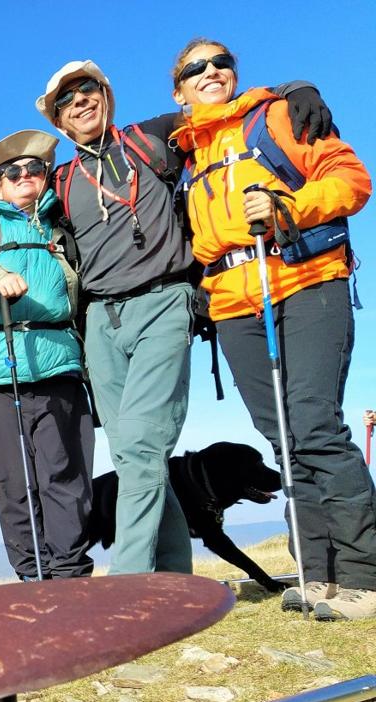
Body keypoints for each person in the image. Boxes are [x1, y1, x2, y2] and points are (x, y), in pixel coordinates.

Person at [36, 61, 332, 576]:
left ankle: (127, 583)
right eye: (67, 100)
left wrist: (292, 88)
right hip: (101, 322)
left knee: (144, 444)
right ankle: (174, 573)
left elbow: (220, 106)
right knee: (133, 456)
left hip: (164, 303)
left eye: (88, 90)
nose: (80, 101)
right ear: (59, 121)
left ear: (106, 95)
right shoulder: (59, 181)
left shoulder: (152, 138)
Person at [169, 38, 374, 620]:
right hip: (234, 306)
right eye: (195, 69)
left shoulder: (279, 116)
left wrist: (288, 203)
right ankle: (317, 573)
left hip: (306, 283)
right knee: (283, 437)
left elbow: (352, 180)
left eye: (220, 63)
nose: (211, 73)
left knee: (313, 423)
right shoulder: (185, 156)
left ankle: (363, 575)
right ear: (178, 88)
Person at [0, 131, 94, 580]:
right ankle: (33, 575)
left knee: (66, 474)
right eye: (13, 172)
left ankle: (69, 575)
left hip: (59, 363)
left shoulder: (64, 228)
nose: (25, 176)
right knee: (13, 481)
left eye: (35, 169)